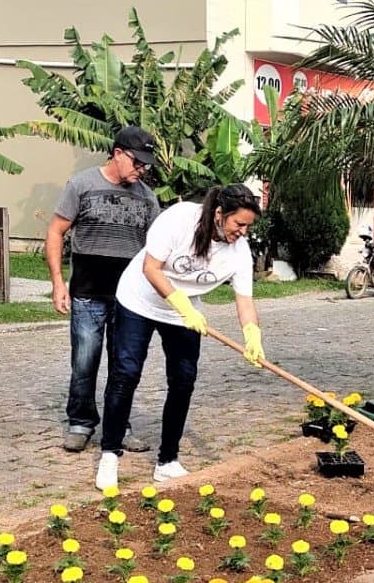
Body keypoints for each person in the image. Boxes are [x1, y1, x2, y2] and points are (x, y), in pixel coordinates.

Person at [95, 183, 265, 489]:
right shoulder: (180, 219)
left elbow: (245, 301)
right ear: (218, 214)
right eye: (238, 223)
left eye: (248, 227)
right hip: (139, 300)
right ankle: (109, 455)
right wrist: (182, 305)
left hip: (183, 313)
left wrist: (252, 335)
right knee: (126, 374)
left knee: (183, 380)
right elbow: (151, 268)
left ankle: (168, 461)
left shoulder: (239, 252)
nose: (242, 231)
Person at [46, 126, 161, 454]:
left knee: (123, 366)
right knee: (85, 361)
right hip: (87, 294)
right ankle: (81, 422)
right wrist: (57, 282)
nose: (142, 170)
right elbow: (56, 232)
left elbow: (156, 249)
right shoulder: (82, 185)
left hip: (130, 301)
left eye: (146, 166)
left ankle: (118, 426)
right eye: (138, 163)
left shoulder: (147, 198)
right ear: (118, 153)